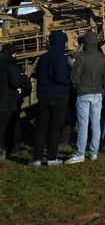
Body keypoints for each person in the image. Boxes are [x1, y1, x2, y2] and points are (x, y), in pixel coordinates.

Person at [65, 31, 105, 164]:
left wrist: (77, 86)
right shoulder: (103, 58)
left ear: (85, 43)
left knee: (83, 125)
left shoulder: (81, 58)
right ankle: (94, 153)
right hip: (98, 94)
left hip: (83, 94)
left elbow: (74, 78)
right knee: (96, 124)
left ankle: (80, 153)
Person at [29, 31, 71, 166]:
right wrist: (68, 80)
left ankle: (36, 158)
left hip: (44, 96)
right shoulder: (61, 58)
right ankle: (52, 157)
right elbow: (60, 78)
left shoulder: (44, 57)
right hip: (59, 96)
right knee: (55, 128)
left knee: (41, 128)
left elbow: (38, 74)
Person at [0, 44, 30, 162]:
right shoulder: (11, 65)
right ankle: (4, 150)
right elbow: (15, 83)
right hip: (7, 101)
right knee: (5, 127)